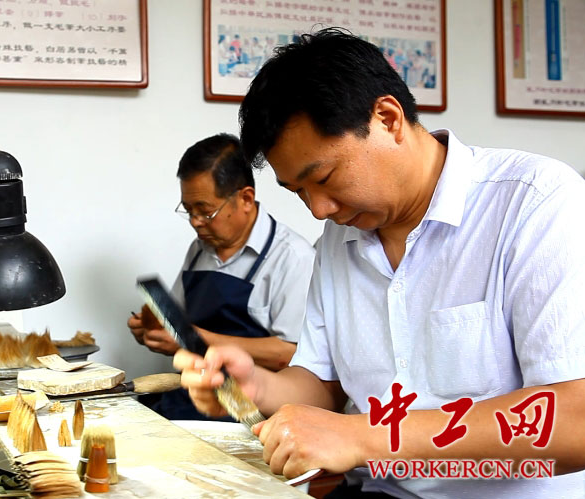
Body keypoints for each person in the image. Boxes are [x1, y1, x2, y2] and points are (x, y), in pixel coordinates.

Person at [175, 28, 585, 497]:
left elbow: (575, 419)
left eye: (324, 177)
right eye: (299, 192)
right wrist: (256, 387)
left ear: (387, 118)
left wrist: (364, 437)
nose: (319, 210)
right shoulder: (339, 238)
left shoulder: (536, 204)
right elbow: (323, 383)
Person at [129, 133, 316, 420]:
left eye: (205, 211)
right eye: (188, 211)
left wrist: (195, 339)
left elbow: (290, 353)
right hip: (191, 398)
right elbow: (178, 319)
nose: (195, 222)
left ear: (245, 198)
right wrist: (155, 329)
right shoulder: (199, 250)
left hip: (251, 411)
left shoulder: (293, 257)